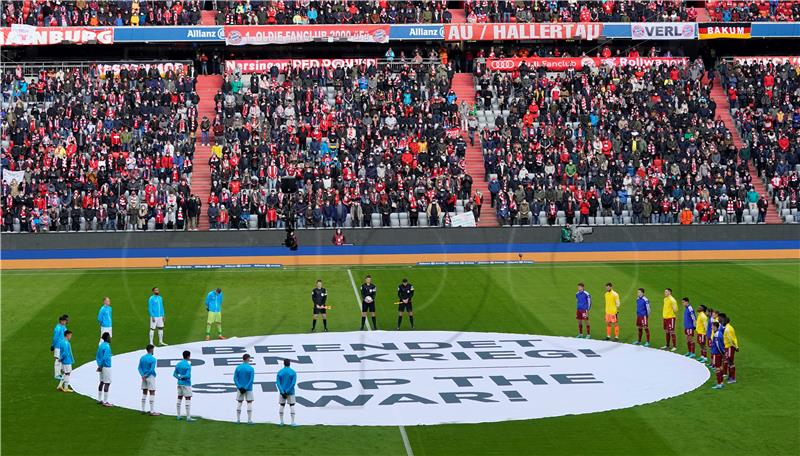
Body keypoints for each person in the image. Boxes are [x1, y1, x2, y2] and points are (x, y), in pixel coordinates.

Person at [138, 344, 159, 415]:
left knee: (144, 392)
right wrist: (146, 375)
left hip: (144, 377)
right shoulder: (153, 359)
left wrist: (142, 375)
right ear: (151, 350)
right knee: (152, 392)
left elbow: (139, 368)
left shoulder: (142, 358)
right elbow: (152, 369)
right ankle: (152, 411)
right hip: (150, 376)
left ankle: (143, 409)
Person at [234, 354, 255, 424]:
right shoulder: (251, 368)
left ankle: (238, 420)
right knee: (249, 402)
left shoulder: (238, 368)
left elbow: (235, 379)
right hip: (248, 388)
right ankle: (249, 420)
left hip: (240, 388)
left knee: (239, 402)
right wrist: (246, 387)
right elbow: (251, 380)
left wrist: (240, 387)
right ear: (248, 359)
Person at [173, 350, 195, 421]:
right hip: (186, 384)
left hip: (179, 383)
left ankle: (178, 416)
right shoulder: (188, 365)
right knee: (187, 398)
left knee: (179, 398)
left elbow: (174, 374)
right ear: (188, 356)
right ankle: (188, 417)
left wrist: (179, 377)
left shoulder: (178, 364)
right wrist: (183, 377)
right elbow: (188, 376)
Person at [276, 359, 297, 426]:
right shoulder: (293, 372)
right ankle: (292, 422)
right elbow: (293, 383)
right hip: (290, 392)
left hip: (282, 392)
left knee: (282, 405)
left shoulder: (280, 372)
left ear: (284, 363)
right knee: (292, 405)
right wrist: (287, 391)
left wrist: (282, 391)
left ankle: (281, 422)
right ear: (289, 363)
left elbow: (278, 383)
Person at [720, 313, 739, 384]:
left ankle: (733, 378)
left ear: (726, 321)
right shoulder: (729, 328)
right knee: (728, 362)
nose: (722, 322)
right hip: (728, 347)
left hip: (730, 347)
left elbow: (731, 339)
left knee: (730, 362)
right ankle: (730, 376)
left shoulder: (728, 329)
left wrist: (736, 347)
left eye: (723, 321)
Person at [96, 332, 113, 407]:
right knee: (107, 383)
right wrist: (101, 366)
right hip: (106, 366)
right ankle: (105, 401)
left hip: (101, 366)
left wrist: (99, 365)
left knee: (101, 382)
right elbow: (105, 357)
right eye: (109, 337)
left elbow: (98, 356)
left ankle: (99, 399)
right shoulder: (107, 346)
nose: (110, 338)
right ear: (106, 338)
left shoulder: (101, 345)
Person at [51, 314, 69, 380]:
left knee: (61, 359)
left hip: (62, 346)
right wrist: (53, 345)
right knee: (58, 360)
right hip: (58, 346)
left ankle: (59, 372)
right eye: (64, 321)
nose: (65, 322)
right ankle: (57, 374)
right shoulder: (58, 328)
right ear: (61, 321)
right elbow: (55, 338)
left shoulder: (63, 326)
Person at [710, 321, 726, 389]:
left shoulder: (716, 335)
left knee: (717, 369)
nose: (711, 327)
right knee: (720, 368)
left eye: (712, 326)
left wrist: (722, 353)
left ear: (715, 327)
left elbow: (718, 345)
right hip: (719, 353)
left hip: (716, 354)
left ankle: (719, 383)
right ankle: (721, 382)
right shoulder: (719, 333)